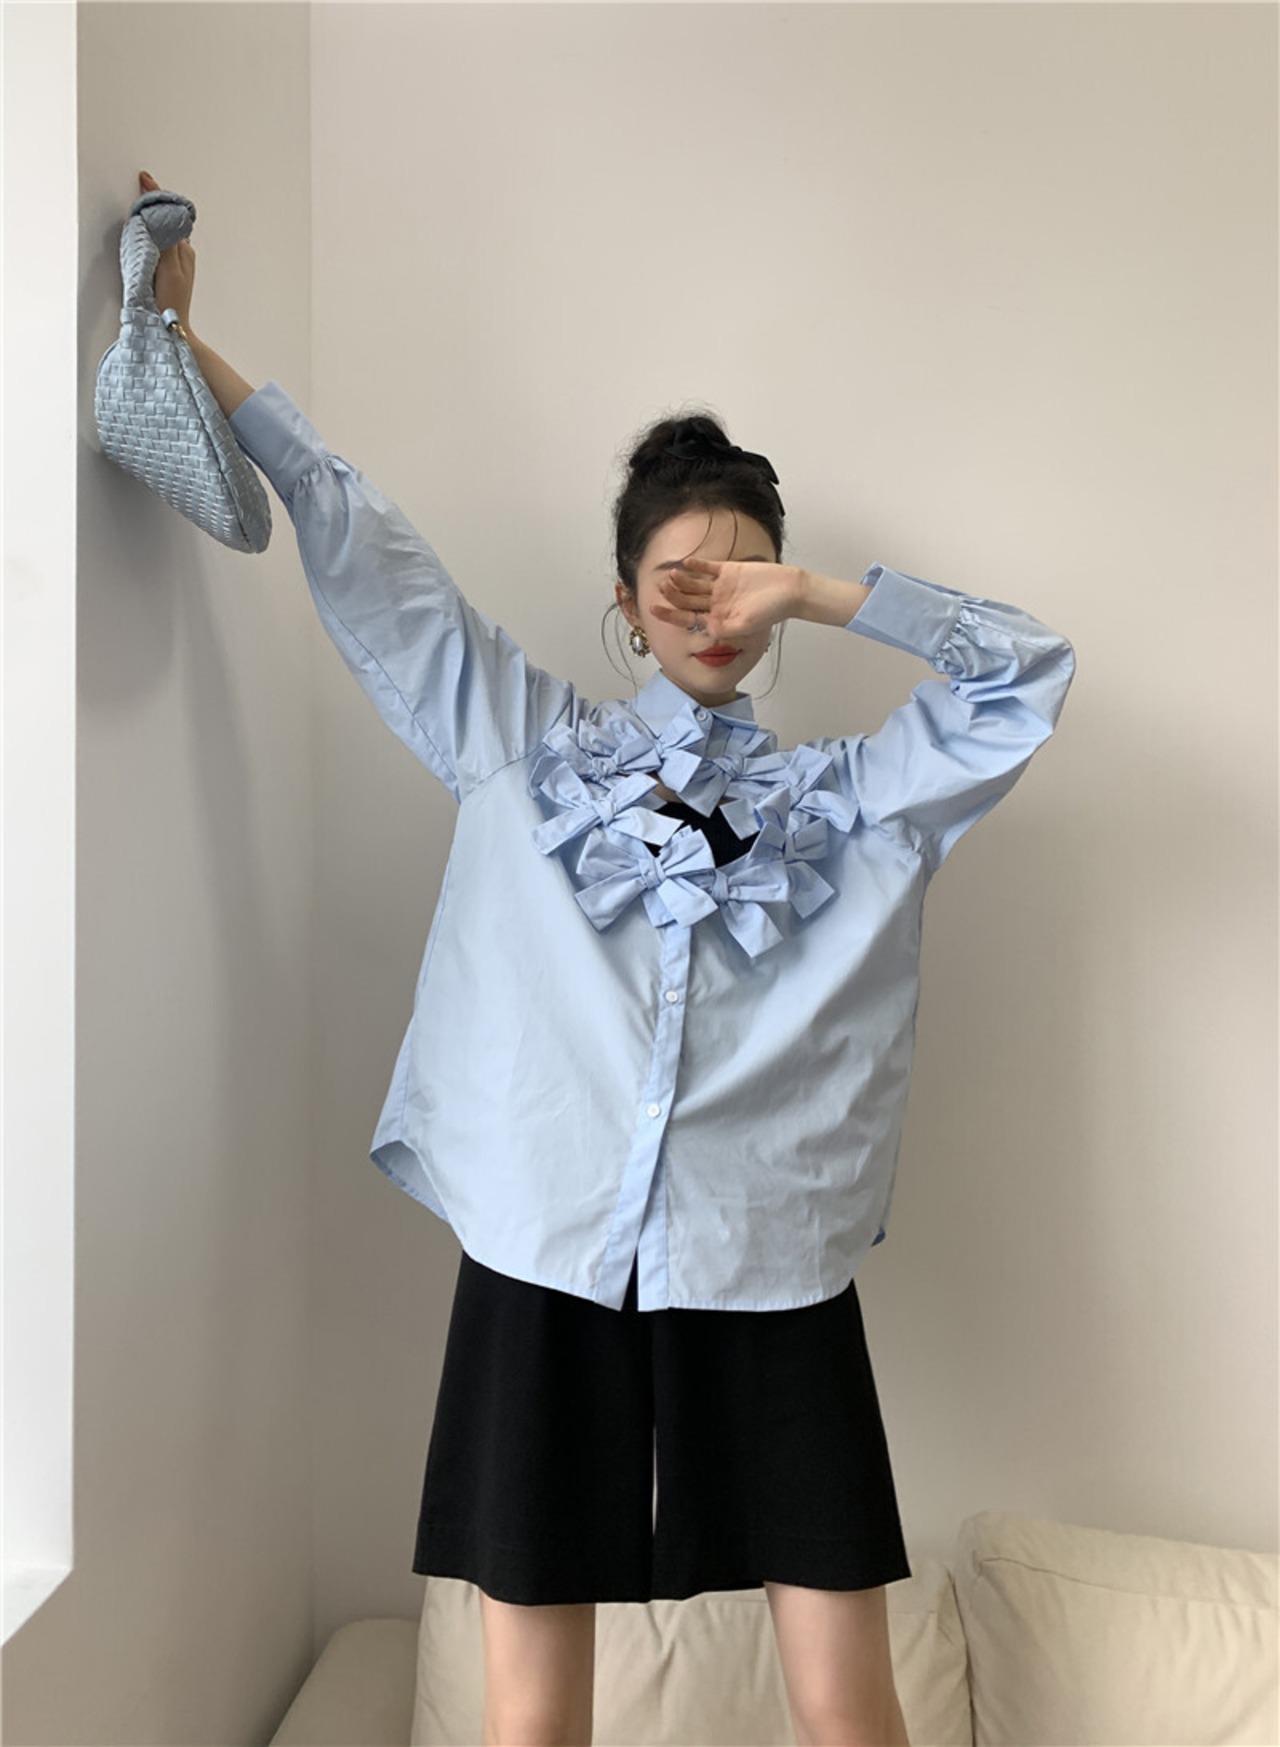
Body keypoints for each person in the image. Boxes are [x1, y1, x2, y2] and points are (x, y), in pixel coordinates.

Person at [137, 168, 1075, 1747]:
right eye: (682, 580)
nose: (717, 608)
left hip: (770, 1264)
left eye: (747, 579)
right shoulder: (521, 744)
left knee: (851, 1708)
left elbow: (1027, 679)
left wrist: (826, 593)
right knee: (530, 1723)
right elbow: (366, 543)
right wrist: (190, 349)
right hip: (547, 1251)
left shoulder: (858, 806)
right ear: (629, 603)